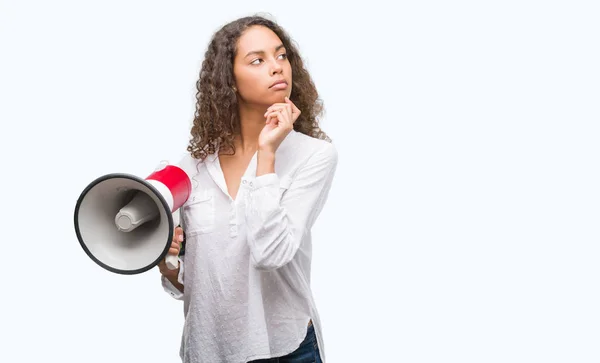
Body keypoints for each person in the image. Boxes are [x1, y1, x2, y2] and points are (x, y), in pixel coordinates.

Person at [157, 14, 338, 363]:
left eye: (281, 55)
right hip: (208, 350)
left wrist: (267, 153)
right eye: (258, 60)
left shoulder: (314, 156)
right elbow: (200, 281)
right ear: (229, 80)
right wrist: (169, 267)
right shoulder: (190, 168)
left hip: (285, 349)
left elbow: (271, 254)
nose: (276, 68)